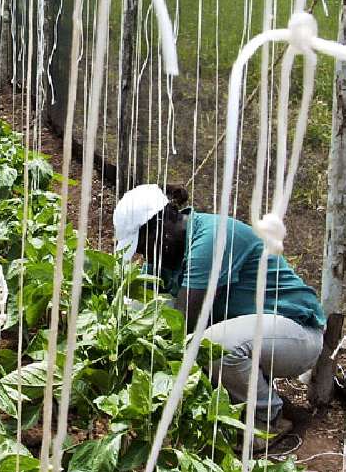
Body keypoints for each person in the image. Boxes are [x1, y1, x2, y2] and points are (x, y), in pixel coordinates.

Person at [113, 183, 326, 450]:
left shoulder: (211, 239)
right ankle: (239, 398)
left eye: (144, 245)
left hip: (296, 334)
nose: (145, 255)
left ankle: (267, 419)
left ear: (162, 224)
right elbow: (141, 305)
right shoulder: (166, 253)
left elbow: (183, 322)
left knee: (210, 345)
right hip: (257, 335)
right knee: (145, 309)